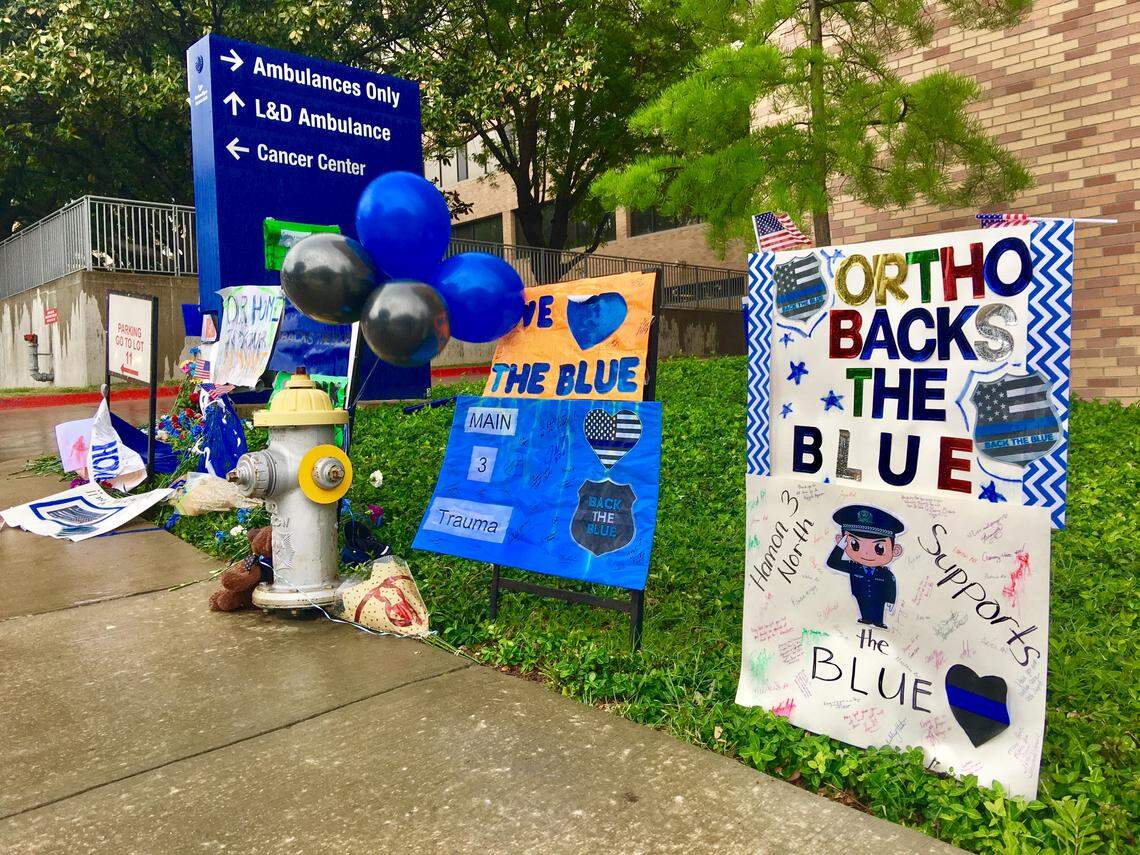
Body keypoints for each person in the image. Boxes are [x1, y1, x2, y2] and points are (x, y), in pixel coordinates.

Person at [826, 505, 905, 629]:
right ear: (841, 540)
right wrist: (840, 546)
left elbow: (891, 585)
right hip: (860, 594)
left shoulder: (885, 573)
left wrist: (890, 600)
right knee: (863, 607)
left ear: (895, 550)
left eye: (879, 548)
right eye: (855, 544)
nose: (866, 554)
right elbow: (833, 563)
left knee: (878, 609)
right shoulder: (854, 567)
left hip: (879, 598)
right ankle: (866, 618)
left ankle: (879, 622)